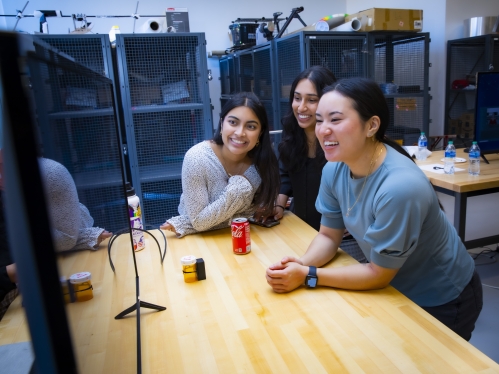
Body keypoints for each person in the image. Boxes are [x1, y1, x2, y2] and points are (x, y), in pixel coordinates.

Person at [266, 77, 482, 341]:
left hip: (442, 298)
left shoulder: (399, 187)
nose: (322, 130)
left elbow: (378, 274)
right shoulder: (335, 168)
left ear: (372, 125)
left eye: (335, 120)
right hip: (394, 288)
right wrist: (300, 264)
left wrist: (309, 276)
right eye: (320, 119)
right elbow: (327, 236)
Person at [160, 92, 280, 238]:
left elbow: (247, 215)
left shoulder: (261, 163)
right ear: (222, 124)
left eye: (251, 126)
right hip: (199, 241)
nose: (240, 133)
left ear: (260, 133)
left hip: (243, 238)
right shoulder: (197, 158)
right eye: (233, 122)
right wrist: (240, 187)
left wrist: (186, 223)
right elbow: (201, 222)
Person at [273, 66, 337, 230]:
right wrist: (278, 205)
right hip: (300, 225)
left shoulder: (339, 139)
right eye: (297, 98)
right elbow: (285, 172)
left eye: (311, 100)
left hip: (335, 234)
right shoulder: (292, 132)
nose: (301, 107)